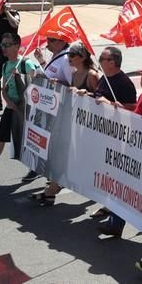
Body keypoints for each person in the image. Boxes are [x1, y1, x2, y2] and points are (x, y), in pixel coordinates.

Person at [30, 41, 99, 206]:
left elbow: (100, 100)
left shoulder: (92, 75)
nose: (68, 58)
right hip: (77, 122)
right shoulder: (75, 74)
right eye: (69, 55)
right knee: (66, 157)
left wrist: (87, 94)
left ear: (82, 57)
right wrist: (58, 84)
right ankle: (51, 191)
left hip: (90, 126)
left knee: (79, 160)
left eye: (72, 55)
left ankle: (52, 191)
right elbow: (70, 90)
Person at [89, 46, 138, 236]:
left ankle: (116, 223)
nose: (100, 60)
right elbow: (98, 95)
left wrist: (111, 105)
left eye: (103, 58)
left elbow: (133, 109)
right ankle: (109, 208)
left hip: (120, 140)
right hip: (104, 135)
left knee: (120, 180)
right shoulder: (105, 79)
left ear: (113, 62)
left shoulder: (124, 82)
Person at [0, 32, 37, 181]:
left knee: (27, 140)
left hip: (26, 109)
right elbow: (4, 89)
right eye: (2, 45)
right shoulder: (5, 65)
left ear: (17, 46)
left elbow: (37, 85)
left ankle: (34, 168)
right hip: (11, 107)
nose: (4, 48)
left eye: (7, 45)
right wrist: (9, 102)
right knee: (1, 136)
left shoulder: (25, 64)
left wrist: (20, 76)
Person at [0, 0, 20, 111]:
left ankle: (16, 101)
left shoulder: (14, 13)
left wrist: (7, 12)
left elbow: (15, 24)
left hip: (11, 50)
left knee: (10, 76)